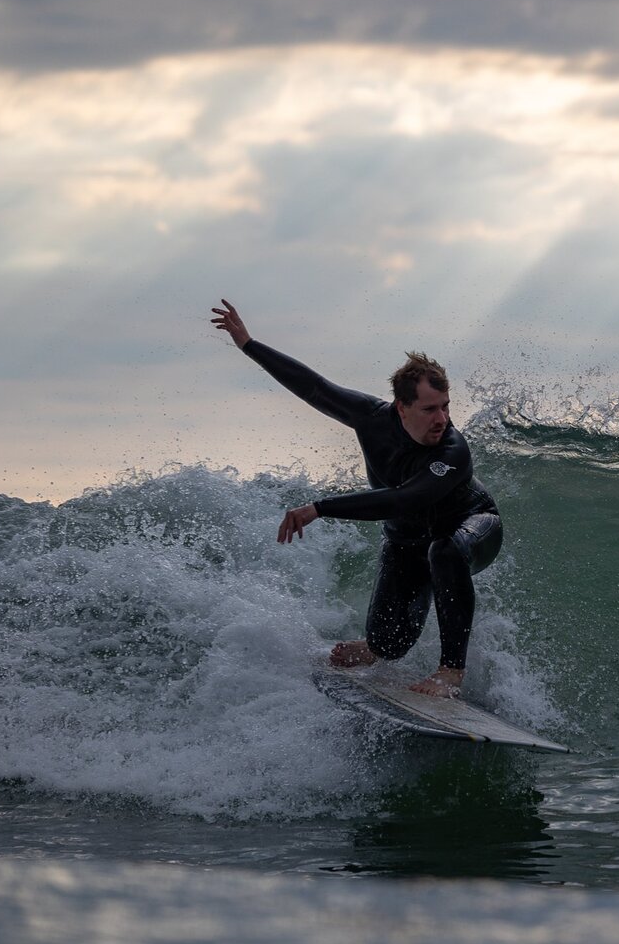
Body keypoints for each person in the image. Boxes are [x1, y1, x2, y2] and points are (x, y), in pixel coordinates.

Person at [209, 298, 501, 698]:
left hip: (474, 527)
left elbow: (400, 500)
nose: (442, 419)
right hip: (407, 541)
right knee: (390, 646)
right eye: (430, 409)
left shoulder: (452, 451)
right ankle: (374, 648)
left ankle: (451, 671)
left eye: (446, 407)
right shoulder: (371, 418)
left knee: (446, 552)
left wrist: (320, 507)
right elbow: (315, 388)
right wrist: (248, 344)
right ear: (402, 407)